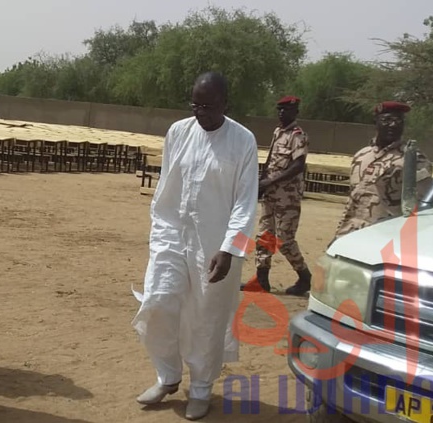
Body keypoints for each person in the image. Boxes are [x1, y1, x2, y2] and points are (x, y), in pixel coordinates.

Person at [132, 72, 259, 421]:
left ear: (226, 104)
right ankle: (167, 376)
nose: (201, 112)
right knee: (157, 302)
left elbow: (247, 203)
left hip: (216, 246)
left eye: (209, 105)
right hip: (171, 234)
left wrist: (232, 249)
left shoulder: (243, 141)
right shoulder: (178, 132)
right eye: (196, 104)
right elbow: (167, 189)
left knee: (206, 317)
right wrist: (159, 232)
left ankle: (201, 389)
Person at [331, 101, 433, 245]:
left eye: (398, 120)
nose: (393, 125)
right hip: (349, 236)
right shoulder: (361, 156)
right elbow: (353, 199)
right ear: (376, 122)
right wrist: (337, 235)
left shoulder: (412, 159)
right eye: (386, 120)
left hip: (384, 239)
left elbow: (424, 204)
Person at [241, 95, 312, 296]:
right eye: (279, 110)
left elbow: (298, 166)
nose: (281, 113)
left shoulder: (298, 135)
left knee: (285, 240)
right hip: (271, 195)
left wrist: (270, 182)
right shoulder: (278, 132)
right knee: (264, 237)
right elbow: (272, 161)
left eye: (286, 110)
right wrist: (261, 183)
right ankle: (261, 281)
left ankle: (305, 278)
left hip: (287, 198)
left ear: (295, 112)